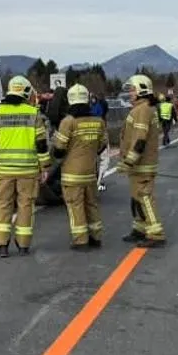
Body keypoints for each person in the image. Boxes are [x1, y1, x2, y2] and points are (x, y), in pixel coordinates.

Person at [0, 76, 51, 257]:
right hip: (28, 170)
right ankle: (23, 245)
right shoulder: (33, 113)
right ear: (26, 91)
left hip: (5, 170)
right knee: (25, 206)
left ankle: (1, 245)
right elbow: (41, 144)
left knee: (3, 205)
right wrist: (45, 167)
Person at [51, 83, 107, 251]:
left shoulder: (68, 122)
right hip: (90, 172)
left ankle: (80, 240)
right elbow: (102, 145)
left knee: (76, 206)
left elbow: (59, 150)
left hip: (71, 174)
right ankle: (96, 237)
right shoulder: (98, 122)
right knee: (92, 204)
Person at [119, 74, 166, 247]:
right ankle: (139, 228)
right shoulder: (141, 109)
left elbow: (140, 139)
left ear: (141, 90)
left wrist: (129, 161)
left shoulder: (143, 110)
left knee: (145, 197)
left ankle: (156, 234)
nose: (130, 93)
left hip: (142, 165)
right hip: (139, 165)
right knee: (136, 198)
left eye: (132, 90)